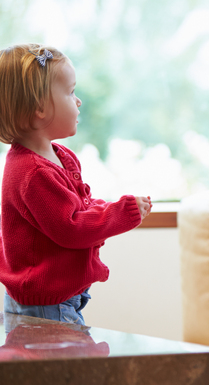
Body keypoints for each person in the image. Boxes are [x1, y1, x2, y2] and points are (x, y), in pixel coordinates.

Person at [0, 44, 152, 325]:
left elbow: (79, 205)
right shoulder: (32, 172)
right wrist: (122, 213)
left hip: (57, 300)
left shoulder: (59, 157)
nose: (78, 101)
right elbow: (71, 227)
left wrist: (110, 207)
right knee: (66, 369)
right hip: (44, 307)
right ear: (39, 108)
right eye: (70, 92)